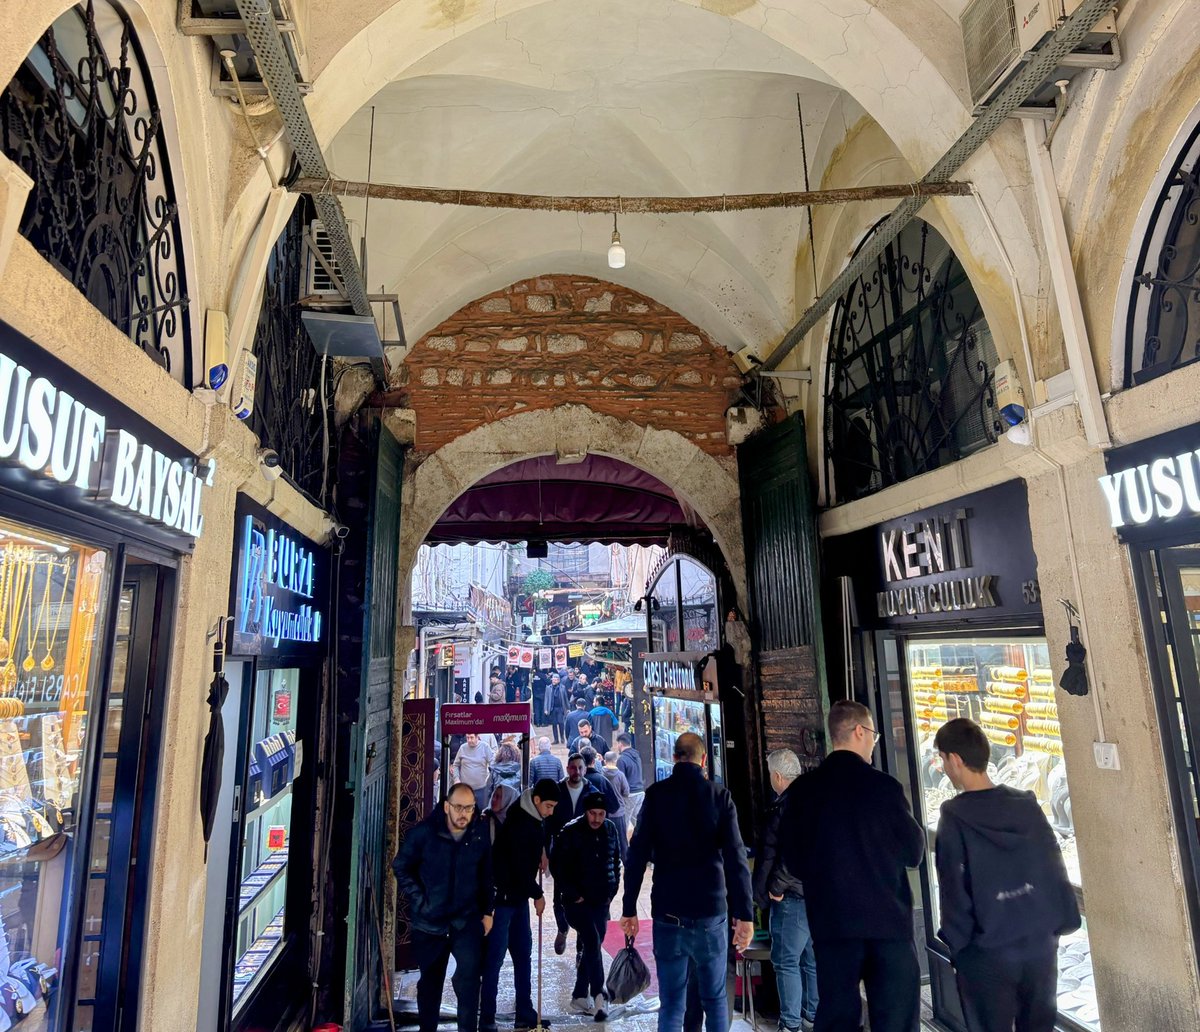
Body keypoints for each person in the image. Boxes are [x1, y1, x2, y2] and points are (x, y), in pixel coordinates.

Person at [781, 700, 924, 1032]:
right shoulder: (884, 788)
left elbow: (793, 860)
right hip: (888, 925)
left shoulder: (803, 791)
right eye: (873, 733)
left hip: (832, 925)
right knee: (897, 1021)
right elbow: (914, 852)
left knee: (837, 1019)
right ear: (860, 731)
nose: (874, 741)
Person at [933, 718, 1081, 1032]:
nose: (943, 767)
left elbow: (953, 890)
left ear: (955, 759)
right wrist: (1060, 924)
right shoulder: (1026, 805)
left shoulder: (954, 817)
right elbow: (1054, 866)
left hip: (987, 954)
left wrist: (960, 949)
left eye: (943, 759)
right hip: (1039, 946)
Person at [621, 732, 754, 1032]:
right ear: (704, 760)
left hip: (668, 913)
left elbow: (636, 855)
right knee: (715, 999)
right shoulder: (719, 797)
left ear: (675, 757)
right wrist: (744, 914)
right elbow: (736, 860)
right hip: (710, 914)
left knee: (671, 1004)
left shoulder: (656, 795)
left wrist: (629, 908)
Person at [393, 783, 494, 1032]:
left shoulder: (478, 834)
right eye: (458, 807)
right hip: (430, 923)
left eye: (469, 808)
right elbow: (401, 866)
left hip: (465, 920)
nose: (463, 814)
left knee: (470, 983)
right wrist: (421, 900)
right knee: (430, 984)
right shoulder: (424, 833)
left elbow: (486, 874)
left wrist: (487, 911)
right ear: (447, 806)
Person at [481, 778, 560, 1032]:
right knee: (495, 959)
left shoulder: (533, 815)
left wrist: (541, 852)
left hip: (518, 898)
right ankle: (487, 1017)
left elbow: (532, 849)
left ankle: (524, 1011)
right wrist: (538, 894)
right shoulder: (519, 822)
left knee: (523, 953)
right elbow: (517, 868)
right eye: (548, 806)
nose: (551, 812)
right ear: (536, 800)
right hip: (503, 900)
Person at [754, 749, 818, 1032]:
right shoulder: (814, 800)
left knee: (786, 961)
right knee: (811, 960)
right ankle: (812, 1016)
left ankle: (791, 1024)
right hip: (815, 894)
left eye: (771, 774)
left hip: (791, 896)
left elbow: (786, 853)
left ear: (778, 776)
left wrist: (775, 887)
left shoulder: (785, 807)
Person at [551, 791, 622, 1020]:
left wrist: (612, 890)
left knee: (593, 945)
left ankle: (580, 994)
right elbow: (557, 866)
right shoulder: (570, 831)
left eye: (601, 814)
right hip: (576, 903)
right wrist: (572, 894)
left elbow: (615, 860)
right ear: (585, 812)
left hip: (601, 900)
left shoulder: (610, 829)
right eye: (593, 813)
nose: (597, 819)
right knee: (591, 940)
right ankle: (599, 996)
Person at [601, 750, 631, 861]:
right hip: (618, 812)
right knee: (622, 840)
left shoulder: (601, 774)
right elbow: (626, 792)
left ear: (605, 761)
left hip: (604, 813)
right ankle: (625, 862)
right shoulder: (620, 775)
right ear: (616, 761)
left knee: (605, 839)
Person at [453, 732, 494, 810]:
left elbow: (492, 764)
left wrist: (490, 779)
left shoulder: (485, 747)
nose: (469, 740)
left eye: (471, 737)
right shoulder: (462, 748)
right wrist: (456, 779)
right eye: (467, 738)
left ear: (477, 737)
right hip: (465, 789)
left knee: (481, 811)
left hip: (481, 788)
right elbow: (456, 765)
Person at [615, 732, 645, 829]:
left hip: (630, 794)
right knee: (638, 822)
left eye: (617, 744)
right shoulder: (637, 756)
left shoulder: (622, 759)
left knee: (624, 822)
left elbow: (620, 780)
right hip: (640, 792)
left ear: (620, 744)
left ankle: (623, 839)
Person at [546, 674, 570, 744]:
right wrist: (546, 709)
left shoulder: (562, 687)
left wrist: (567, 708)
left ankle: (562, 737)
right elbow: (546, 699)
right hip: (552, 708)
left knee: (561, 723)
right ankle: (556, 739)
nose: (554, 681)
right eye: (553, 680)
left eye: (555, 680)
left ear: (558, 680)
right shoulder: (548, 688)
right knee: (554, 724)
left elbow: (565, 698)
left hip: (560, 708)